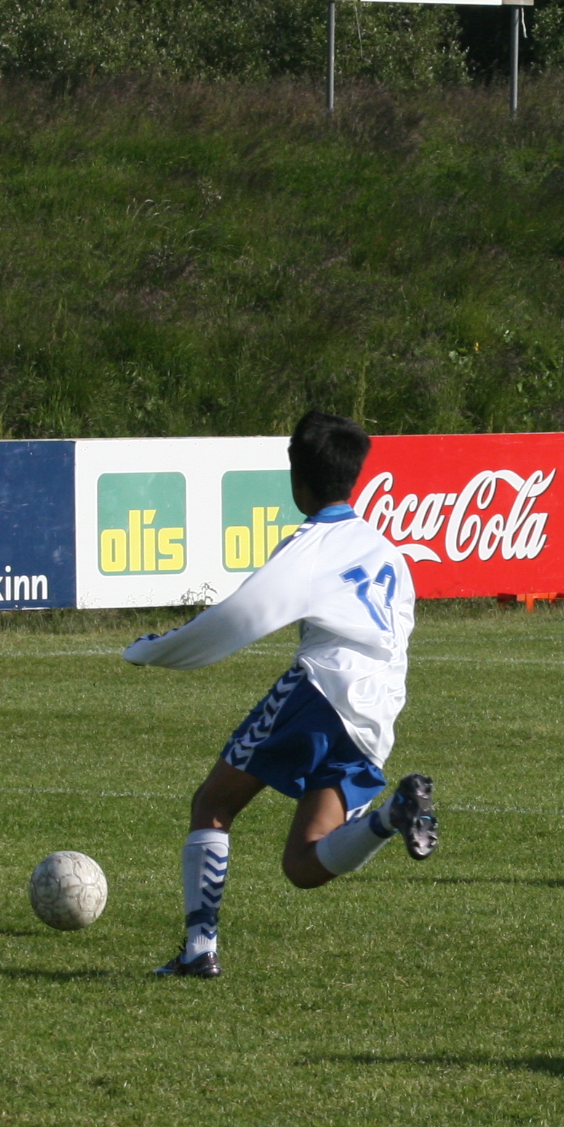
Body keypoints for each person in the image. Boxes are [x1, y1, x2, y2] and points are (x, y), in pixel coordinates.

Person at [123, 411, 437, 978]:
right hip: (377, 713)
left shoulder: (311, 546)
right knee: (302, 863)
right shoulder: (387, 552)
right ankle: (392, 816)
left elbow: (239, 616)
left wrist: (156, 649)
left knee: (213, 804)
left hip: (320, 690)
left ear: (298, 479)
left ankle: (199, 949)